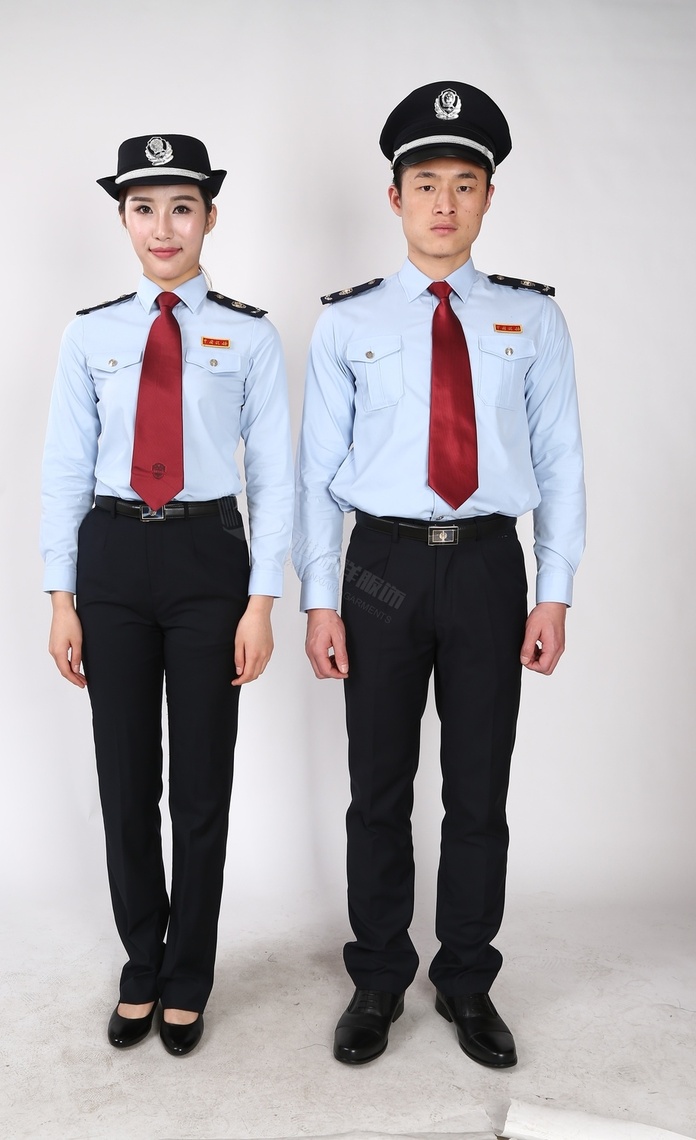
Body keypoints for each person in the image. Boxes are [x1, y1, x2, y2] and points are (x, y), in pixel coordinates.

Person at [294, 82, 585, 1067]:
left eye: (465, 184)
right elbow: (314, 475)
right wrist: (320, 598)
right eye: (426, 184)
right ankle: (379, 975)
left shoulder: (531, 319)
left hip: (490, 566)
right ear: (394, 198)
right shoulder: (348, 323)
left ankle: (465, 978)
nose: (444, 204)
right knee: (378, 786)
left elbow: (562, 463)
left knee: (477, 789)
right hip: (378, 567)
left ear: (488, 197)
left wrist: (554, 589)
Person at [41, 133, 293, 1056]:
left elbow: (274, 479)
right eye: (143, 208)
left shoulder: (249, 334)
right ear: (123, 220)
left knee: (200, 785)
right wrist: (61, 596)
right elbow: (65, 468)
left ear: (209, 218)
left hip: (206, 559)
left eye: (181, 207)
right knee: (124, 782)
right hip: (110, 557)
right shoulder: (91, 334)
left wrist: (261, 602)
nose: (163, 226)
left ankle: (190, 973)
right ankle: (141, 961)